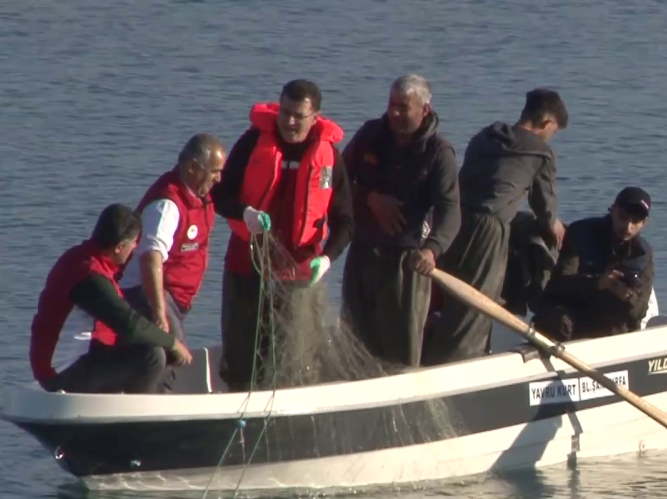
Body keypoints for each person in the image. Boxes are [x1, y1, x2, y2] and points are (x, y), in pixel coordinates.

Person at [210, 79, 354, 391]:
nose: (289, 122)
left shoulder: (329, 157)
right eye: (284, 112)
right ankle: (239, 415)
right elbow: (220, 196)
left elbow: (345, 221)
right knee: (242, 356)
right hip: (247, 265)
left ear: (315, 117)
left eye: (298, 116)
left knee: (295, 356)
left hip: (299, 274)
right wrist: (245, 213)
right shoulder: (252, 142)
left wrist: (327, 260)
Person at [423, 88, 569, 365]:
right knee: (477, 304)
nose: (552, 137)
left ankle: (432, 352)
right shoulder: (541, 152)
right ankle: (460, 365)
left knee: (451, 295)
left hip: (451, 219)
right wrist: (554, 225)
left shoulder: (486, 136)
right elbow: (543, 204)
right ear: (546, 122)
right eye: (554, 131)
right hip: (488, 228)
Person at [340, 74, 460, 368]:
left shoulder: (438, 153)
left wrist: (432, 250)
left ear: (424, 110)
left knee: (400, 349)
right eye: (392, 104)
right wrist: (369, 197)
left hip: (407, 262)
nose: (393, 113)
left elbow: (450, 211)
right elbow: (337, 180)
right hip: (363, 253)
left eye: (403, 107)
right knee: (354, 340)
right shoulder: (370, 134)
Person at [30, 204, 193, 394]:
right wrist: (172, 343)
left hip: (80, 358)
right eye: (134, 243)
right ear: (119, 247)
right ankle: (136, 416)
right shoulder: (89, 277)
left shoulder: (82, 257)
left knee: (149, 342)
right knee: (152, 356)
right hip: (62, 374)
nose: (134, 248)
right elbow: (130, 325)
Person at [121, 134, 225, 366]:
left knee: (168, 353)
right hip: (147, 291)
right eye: (215, 172)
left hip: (176, 296)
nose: (219, 179)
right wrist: (159, 315)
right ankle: (157, 398)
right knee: (175, 352)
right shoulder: (166, 205)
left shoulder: (201, 195)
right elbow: (150, 259)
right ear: (192, 168)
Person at [533, 187, 656, 341]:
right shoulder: (581, 233)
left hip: (607, 319)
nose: (627, 227)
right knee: (558, 321)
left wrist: (628, 297)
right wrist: (598, 283)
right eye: (623, 217)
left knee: (618, 322)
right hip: (573, 309)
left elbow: (640, 310)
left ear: (643, 223)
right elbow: (558, 285)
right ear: (613, 211)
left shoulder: (643, 254)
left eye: (635, 222)